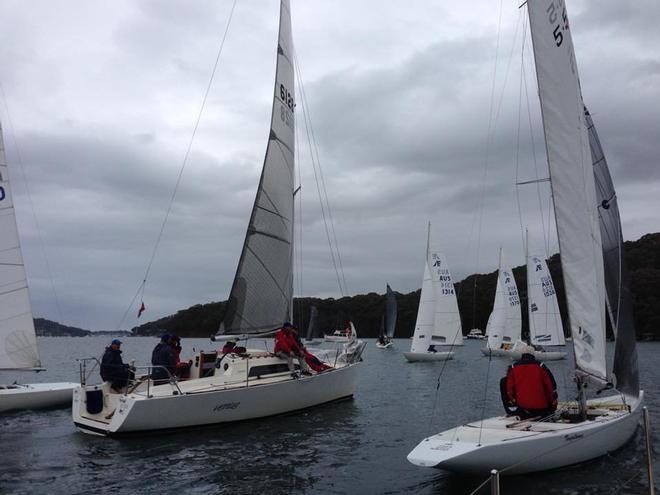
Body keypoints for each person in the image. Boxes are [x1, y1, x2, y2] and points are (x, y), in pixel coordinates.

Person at [500, 352, 558, 419]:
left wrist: (514, 402)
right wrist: (553, 404)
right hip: (542, 409)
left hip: (521, 409)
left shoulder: (513, 369)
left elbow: (509, 390)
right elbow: (551, 387)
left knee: (504, 382)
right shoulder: (540, 366)